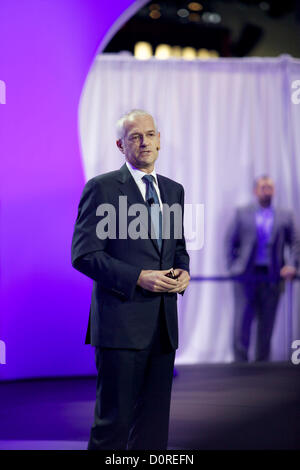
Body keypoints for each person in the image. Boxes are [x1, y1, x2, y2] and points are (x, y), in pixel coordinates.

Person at [71, 110, 190, 450]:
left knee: (154, 428)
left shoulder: (173, 191)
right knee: (114, 426)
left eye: (150, 134)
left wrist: (183, 272)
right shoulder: (102, 188)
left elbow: (177, 248)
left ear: (160, 141)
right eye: (135, 136)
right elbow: (84, 255)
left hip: (163, 327)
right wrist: (139, 277)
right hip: (120, 328)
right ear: (121, 145)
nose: (145, 142)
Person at [225, 175, 300, 362]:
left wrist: (291, 265)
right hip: (245, 276)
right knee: (242, 322)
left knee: (267, 323)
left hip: (272, 275)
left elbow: (296, 243)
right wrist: (233, 268)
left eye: (270, 187)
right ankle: (240, 364)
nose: (267, 190)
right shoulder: (242, 213)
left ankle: (262, 366)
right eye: (263, 186)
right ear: (255, 191)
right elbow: (229, 242)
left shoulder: (285, 215)